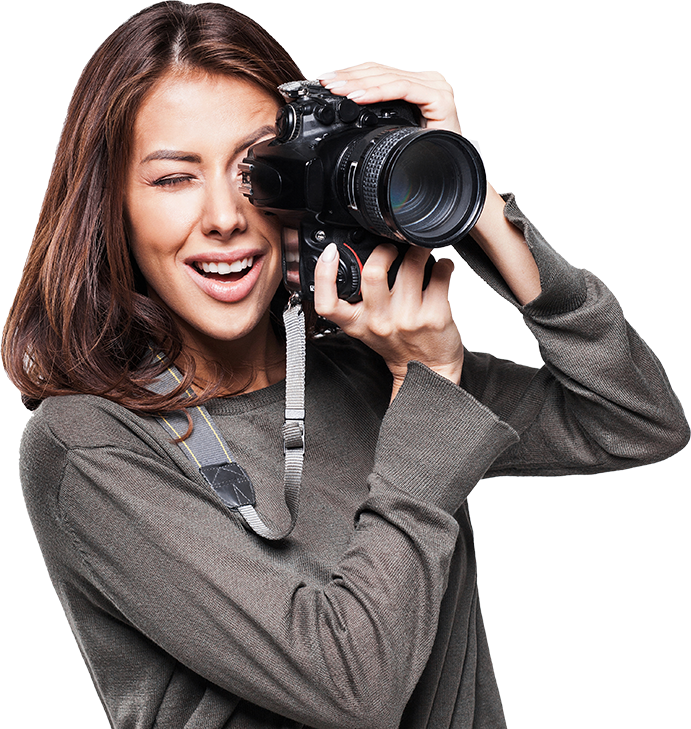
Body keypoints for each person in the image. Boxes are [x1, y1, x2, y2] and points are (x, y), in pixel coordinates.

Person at [4, 2, 688, 728]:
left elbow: (634, 418)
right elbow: (351, 686)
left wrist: (473, 204)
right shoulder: (87, 442)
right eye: (174, 178)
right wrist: (427, 386)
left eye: (254, 169)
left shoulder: (369, 368)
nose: (225, 217)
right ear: (111, 206)